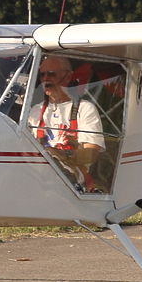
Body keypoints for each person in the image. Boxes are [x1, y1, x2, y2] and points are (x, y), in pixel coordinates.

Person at [28, 54, 105, 190]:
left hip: (71, 177)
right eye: (42, 75)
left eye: (51, 74)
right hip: (39, 172)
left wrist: (63, 154)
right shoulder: (36, 110)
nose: (45, 79)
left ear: (68, 77)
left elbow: (92, 154)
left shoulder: (84, 108)